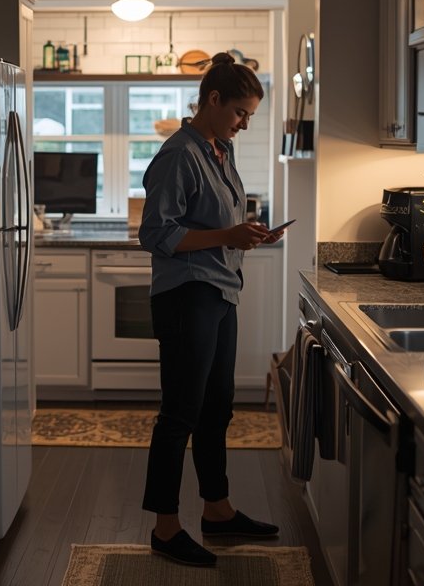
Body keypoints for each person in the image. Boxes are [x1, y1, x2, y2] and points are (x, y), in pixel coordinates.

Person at [136, 51, 283, 567]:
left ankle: (218, 510)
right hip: (186, 297)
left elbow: (216, 225)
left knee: (217, 408)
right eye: (240, 112)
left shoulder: (221, 150)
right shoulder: (179, 153)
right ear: (213, 100)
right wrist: (228, 235)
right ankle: (165, 526)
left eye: (250, 116)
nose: (245, 123)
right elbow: (155, 233)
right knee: (179, 414)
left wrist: (244, 239)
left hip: (221, 291)